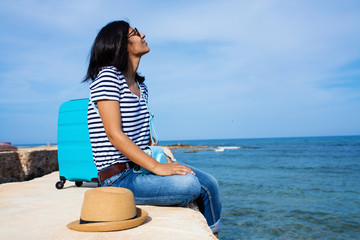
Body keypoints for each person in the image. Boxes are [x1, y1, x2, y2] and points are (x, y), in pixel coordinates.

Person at [83, 20, 222, 235]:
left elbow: (144, 138)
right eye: (135, 32)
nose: (143, 34)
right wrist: (158, 168)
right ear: (121, 43)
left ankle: (213, 235)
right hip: (118, 178)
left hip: (142, 168)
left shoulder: (141, 86)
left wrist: (161, 159)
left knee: (209, 183)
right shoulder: (108, 77)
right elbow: (113, 133)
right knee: (190, 186)